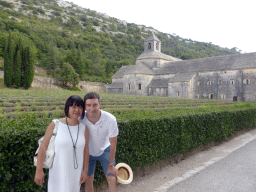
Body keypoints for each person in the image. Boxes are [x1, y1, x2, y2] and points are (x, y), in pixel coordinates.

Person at [34, 95, 89, 192]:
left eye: (80, 107)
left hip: (76, 173)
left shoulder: (84, 128)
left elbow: (86, 151)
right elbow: (43, 147)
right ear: (67, 108)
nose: (77, 110)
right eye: (73, 106)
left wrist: (85, 171)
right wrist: (39, 171)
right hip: (58, 172)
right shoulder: (55, 124)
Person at [80, 92, 119, 192]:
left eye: (95, 105)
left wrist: (111, 165)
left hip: (105, 150)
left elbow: (113, 144)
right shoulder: (80, 119)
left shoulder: (110, 119)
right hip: (87, 152)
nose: (91, 108)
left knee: (111, 178)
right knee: (88, 179)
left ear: (100, 104)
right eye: (88, 105)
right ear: (84, 106)